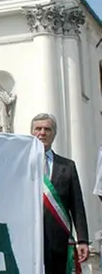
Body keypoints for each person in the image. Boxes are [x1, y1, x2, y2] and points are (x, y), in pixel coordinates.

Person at [32, 113, 89, 273]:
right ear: (32, 132)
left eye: (47, 129)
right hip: (30, 239)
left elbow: (77, 205)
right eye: (38, 128)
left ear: (54, 134)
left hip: (59, 240)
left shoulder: (67, 166)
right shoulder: (22, 164)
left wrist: (83, 240)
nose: (42, 132)